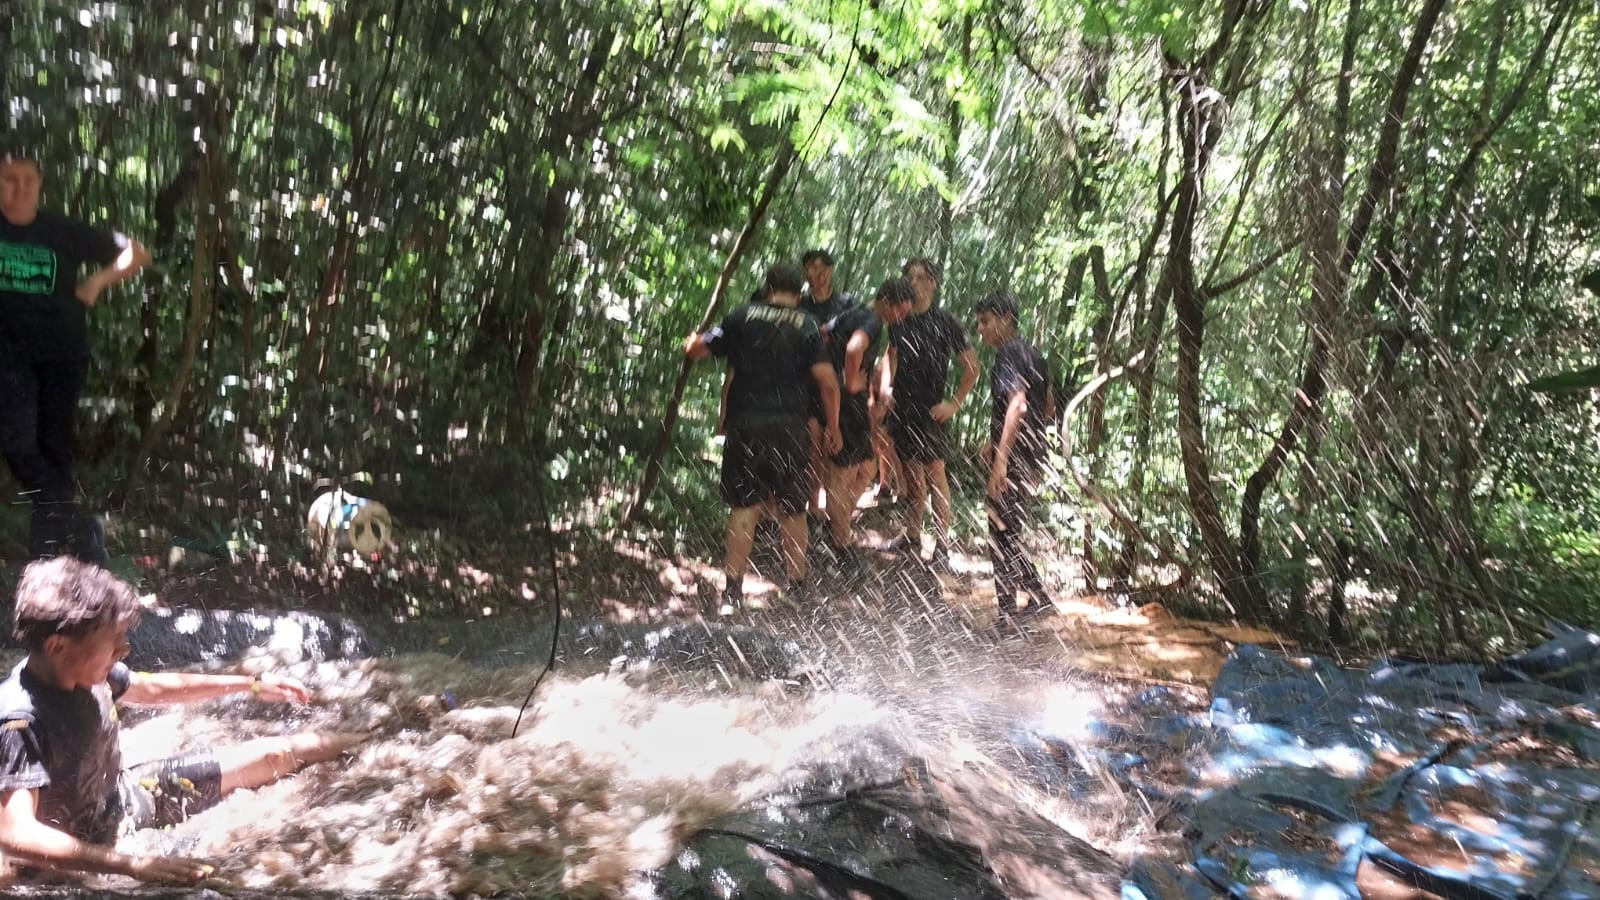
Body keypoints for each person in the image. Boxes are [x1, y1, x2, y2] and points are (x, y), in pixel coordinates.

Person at [0, 556, 366, 885]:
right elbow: (17, 834)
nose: (125, 650)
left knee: (279, 754)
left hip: (126, 799)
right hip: (75, 859)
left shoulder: (88, 671)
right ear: (58, 646)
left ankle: (370, 742)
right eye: (114, 643)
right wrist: (132, 865)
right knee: (216, 882)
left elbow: (153, 689)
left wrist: (251, 685)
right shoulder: (19, 722)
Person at [0, 149, 151, 562]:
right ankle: (78, 526)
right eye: (9, 179)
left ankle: (47, 558)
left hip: (61, 354)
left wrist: (96, 282)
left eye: (28, 179)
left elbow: (136, 252)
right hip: (9, 357)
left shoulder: (60, 230)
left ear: (40, 184)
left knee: (55, 452)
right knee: (16, 442)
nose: (19, 188)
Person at [685, 263, 842, 613]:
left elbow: (697, 349)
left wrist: (692, 339)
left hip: (747, 427)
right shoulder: (807, 324)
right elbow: (829, 383)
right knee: (793, 510)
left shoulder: (741, 317)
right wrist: (833, 426)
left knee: (744, 507)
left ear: (768, 287)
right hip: (791, 429)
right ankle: (798, 588)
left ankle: (732, 593)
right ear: (799, 295)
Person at [883, 257, 979, 568]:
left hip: (932, 411)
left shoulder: (946, 322)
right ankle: (912, 535)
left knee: (936, 474)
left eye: (919, 277)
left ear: (933, 283)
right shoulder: (899, 318)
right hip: (903, 409)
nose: (913, 282)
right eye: (909, 277)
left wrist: (954, 404)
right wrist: (886, 387)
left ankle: (942, 544)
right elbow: (891, 355)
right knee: (912, 474)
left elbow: (972, 368)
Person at [975, 290, 1054, 621]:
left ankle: (1007, 621)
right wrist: (998, 441)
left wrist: (1002, 460)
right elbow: (1047, 406)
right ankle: (1040, 600)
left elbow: (1018, 404)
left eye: (985, 321)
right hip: (1029, 454)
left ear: (1006, 318)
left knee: (999, 532)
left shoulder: (1008, 353)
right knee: (1008, 531)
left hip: (1014, 459)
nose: (980, 329)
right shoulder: (1033, 353)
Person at [822, 277, 914, 555]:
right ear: (886, 301)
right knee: (843, 474)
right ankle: (841, 543)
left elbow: (825, 333)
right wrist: (850, 382)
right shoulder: (872, 321)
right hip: (846, 403)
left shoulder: (854, 312)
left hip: (846, 402)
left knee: (867, 467)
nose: (900, 318)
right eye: (900, 311)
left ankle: (836, 527)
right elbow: (853, 348)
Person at [799, 249, 854, 518]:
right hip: (806, 384)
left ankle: (834, 509)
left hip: (839, 385)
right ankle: (812, 505)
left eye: (820, 268)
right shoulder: (800, 305)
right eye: (810, 268)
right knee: (812, 444)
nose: (816, 274)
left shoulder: (845, 303)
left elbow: (858, 337)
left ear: (830, 270)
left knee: (833, 446)